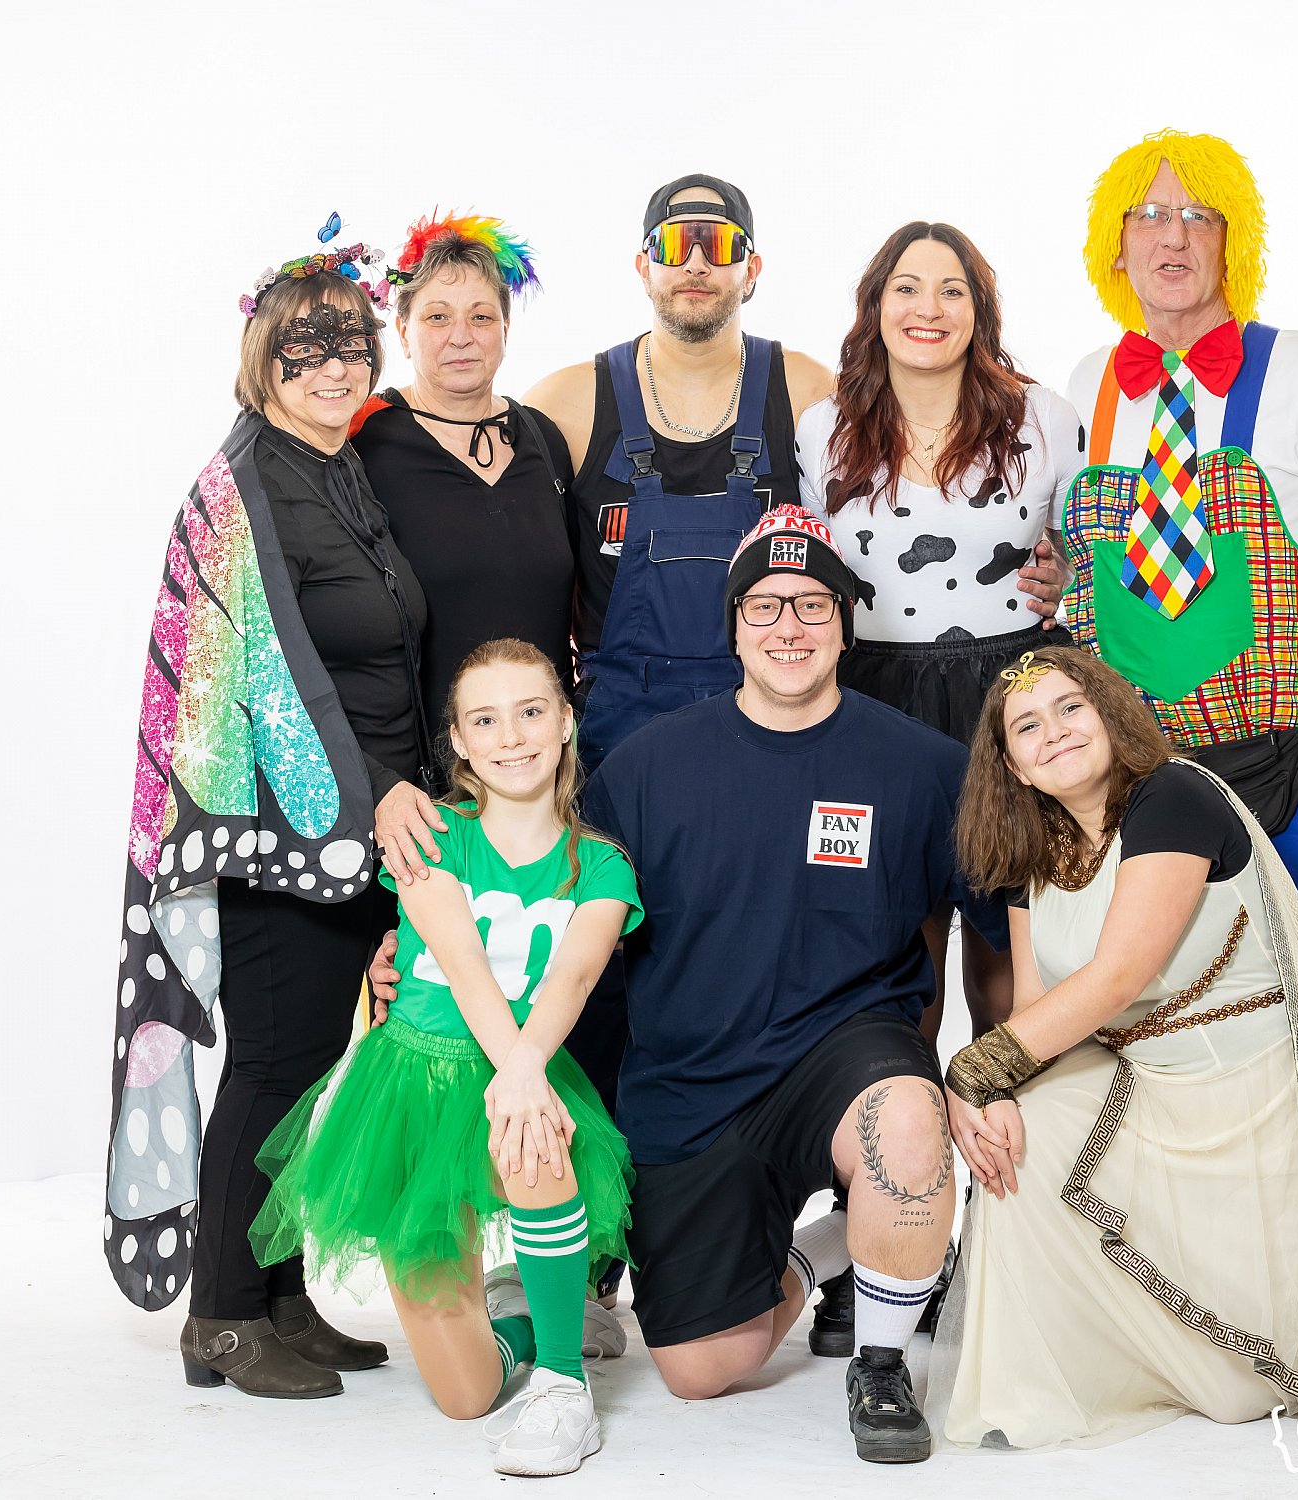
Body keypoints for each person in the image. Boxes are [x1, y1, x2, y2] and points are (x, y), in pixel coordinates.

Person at [1058, 129, 1298, 1363]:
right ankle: (1219, 1274)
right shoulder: (1091, 387)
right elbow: (1084, 582)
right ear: (1114, 244)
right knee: (1173, 1019)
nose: (1171, 236)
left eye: (1198, 215)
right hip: (1153, 787)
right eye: (1148, 215)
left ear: (1234, 241)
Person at [579, 505, 1008, 1465]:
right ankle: (831, 1245)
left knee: (907, 1117)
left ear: (845, 625)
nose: (789, 627)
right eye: (765, 606)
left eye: (813, 605)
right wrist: (420, 954)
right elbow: (557, 928)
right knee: (699, 1369)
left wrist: (1002, 1070)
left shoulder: (926, 768)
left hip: (845, 1054)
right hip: (692, 1085)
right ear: (733, 626)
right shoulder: (642, 771)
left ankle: (882, 1363)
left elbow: (1012, 923)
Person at [104, 220, 449, 1395]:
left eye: (352, 344)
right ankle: (221, 1316)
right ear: (262, 358)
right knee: (271, 1064)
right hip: (280, 833)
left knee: (310, 1067)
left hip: (361, 830)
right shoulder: (242, 485)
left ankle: (282, 1293)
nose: (335, 367)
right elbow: (265, 678)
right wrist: (374, 792)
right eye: (306, 349)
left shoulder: (334, 465)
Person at [931, 645, 1298, 1449]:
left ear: (1108, 714)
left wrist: (972, 1071)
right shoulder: (1035, 848)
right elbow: (1035, 1008)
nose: (1055, 732)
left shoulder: (1172, 795)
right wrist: (997, 1098)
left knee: (1244, 1390)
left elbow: (1117, 976)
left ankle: (1186, 1358)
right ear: (1013, 767)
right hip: (1139, 1078)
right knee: (1015, 1140)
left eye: (1071, 707)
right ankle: (1045, 1382)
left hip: (1246, 1090)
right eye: (1027, 726)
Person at [250, 639, 638, 1476]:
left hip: (516, 1078)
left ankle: (563, 1386)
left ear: (565, 722)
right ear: (458, 740)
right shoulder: (431, 835)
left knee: (535, 1133)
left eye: (531, 712)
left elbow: (573, 978)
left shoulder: (602, 865)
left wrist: (523, 1076)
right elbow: (461, 962)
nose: (512, 736)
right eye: (485, 720)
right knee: (465, 1395)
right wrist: (522, 1072)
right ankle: (532, 1318)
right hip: (408, 1088)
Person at [797, 221, 1080, 1046]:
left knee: (1010, 969)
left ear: (979, 310)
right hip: (875, 701)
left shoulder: (1043, 418)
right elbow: (808, 572)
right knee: (895, 970)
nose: (930, 308)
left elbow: (1093, 557)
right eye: (908, 288)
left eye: (952, 290)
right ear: (875, 306)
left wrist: (1069, 579)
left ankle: (1008, 1131)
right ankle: (906, 1130)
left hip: (1012, 699)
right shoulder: (824, 428)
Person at [524, 174, 831, 770]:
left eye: (718, 245)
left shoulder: (808, 392)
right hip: (618, 740)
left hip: (775, 721)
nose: (695, 263)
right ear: (643, 267)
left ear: (752, 269)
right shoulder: (566, 404)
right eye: (672, 245)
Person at [352, 213, 576, 737]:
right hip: (421, 765)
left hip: (546, 759)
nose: (461, 337)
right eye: (437, 317)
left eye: (480, 316)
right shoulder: (363, 444)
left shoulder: (544, 439)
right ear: (403, 332)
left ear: (505, 330)